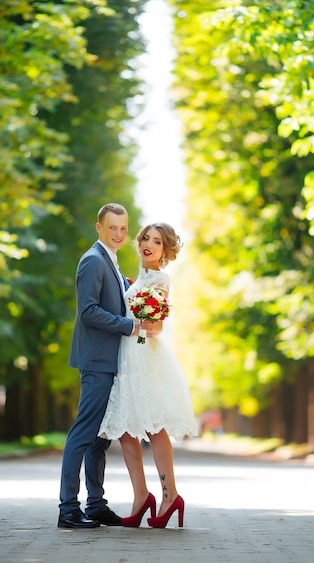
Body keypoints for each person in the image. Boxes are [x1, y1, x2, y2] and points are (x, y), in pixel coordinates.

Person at [58, 203, 159, 529]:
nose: (118, 234)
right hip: (97, 361)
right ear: (99, 227)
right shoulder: (92, 261)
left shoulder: (110, 261)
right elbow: (88, 311)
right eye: (112, 227)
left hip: (109, 361)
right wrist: (128, 326)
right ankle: (68, 509)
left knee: (100, 438)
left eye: (123, 228)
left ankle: (96, 504)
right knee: (84, 433)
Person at [98, 222, 198, 529]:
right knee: (126, 429)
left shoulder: (159, 278)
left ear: (165, 250)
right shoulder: (138, 277)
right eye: (145, 238)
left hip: (144, 357)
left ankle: (170, 495)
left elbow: (157, 327)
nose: (149, 244)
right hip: (126, 356)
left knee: (154, 427)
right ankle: (141, 495)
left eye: (157, 241)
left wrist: (144, 320)